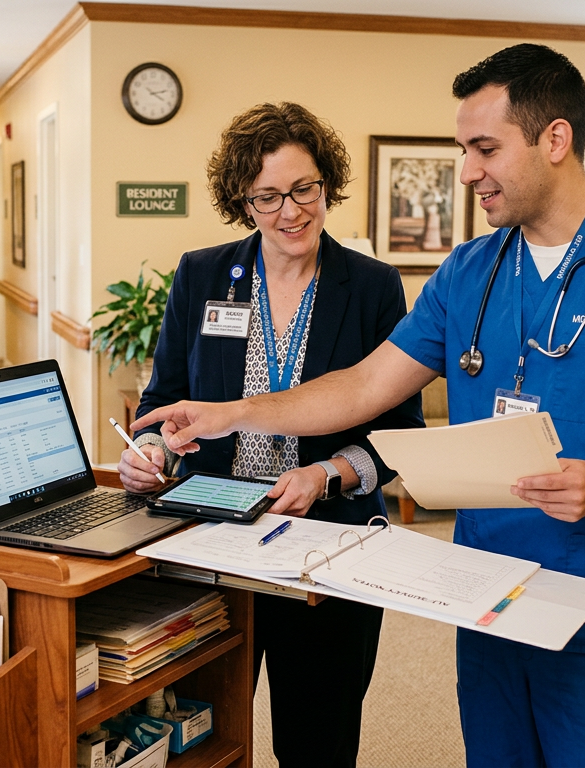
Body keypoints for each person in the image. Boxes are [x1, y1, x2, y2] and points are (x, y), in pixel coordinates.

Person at [132, 45, 585, 767]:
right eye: (464, 149)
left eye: (484, 148)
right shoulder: (470, 271)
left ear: (555, 139)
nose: (467, 171)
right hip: (483, 589)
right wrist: (229, 414)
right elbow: (365, 387)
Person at [120, 101, 423, 768]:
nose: (291, 212)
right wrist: (150, 450)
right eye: (268, 196)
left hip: (327, 550)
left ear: (327, 183)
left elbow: (400, 431)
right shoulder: (203, 275)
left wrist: (328, 473)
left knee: (317, 740)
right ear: (242, 200)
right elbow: (166, 399)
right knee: (204, 732)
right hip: (211, 546)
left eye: (304, 189)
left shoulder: (371, 287)